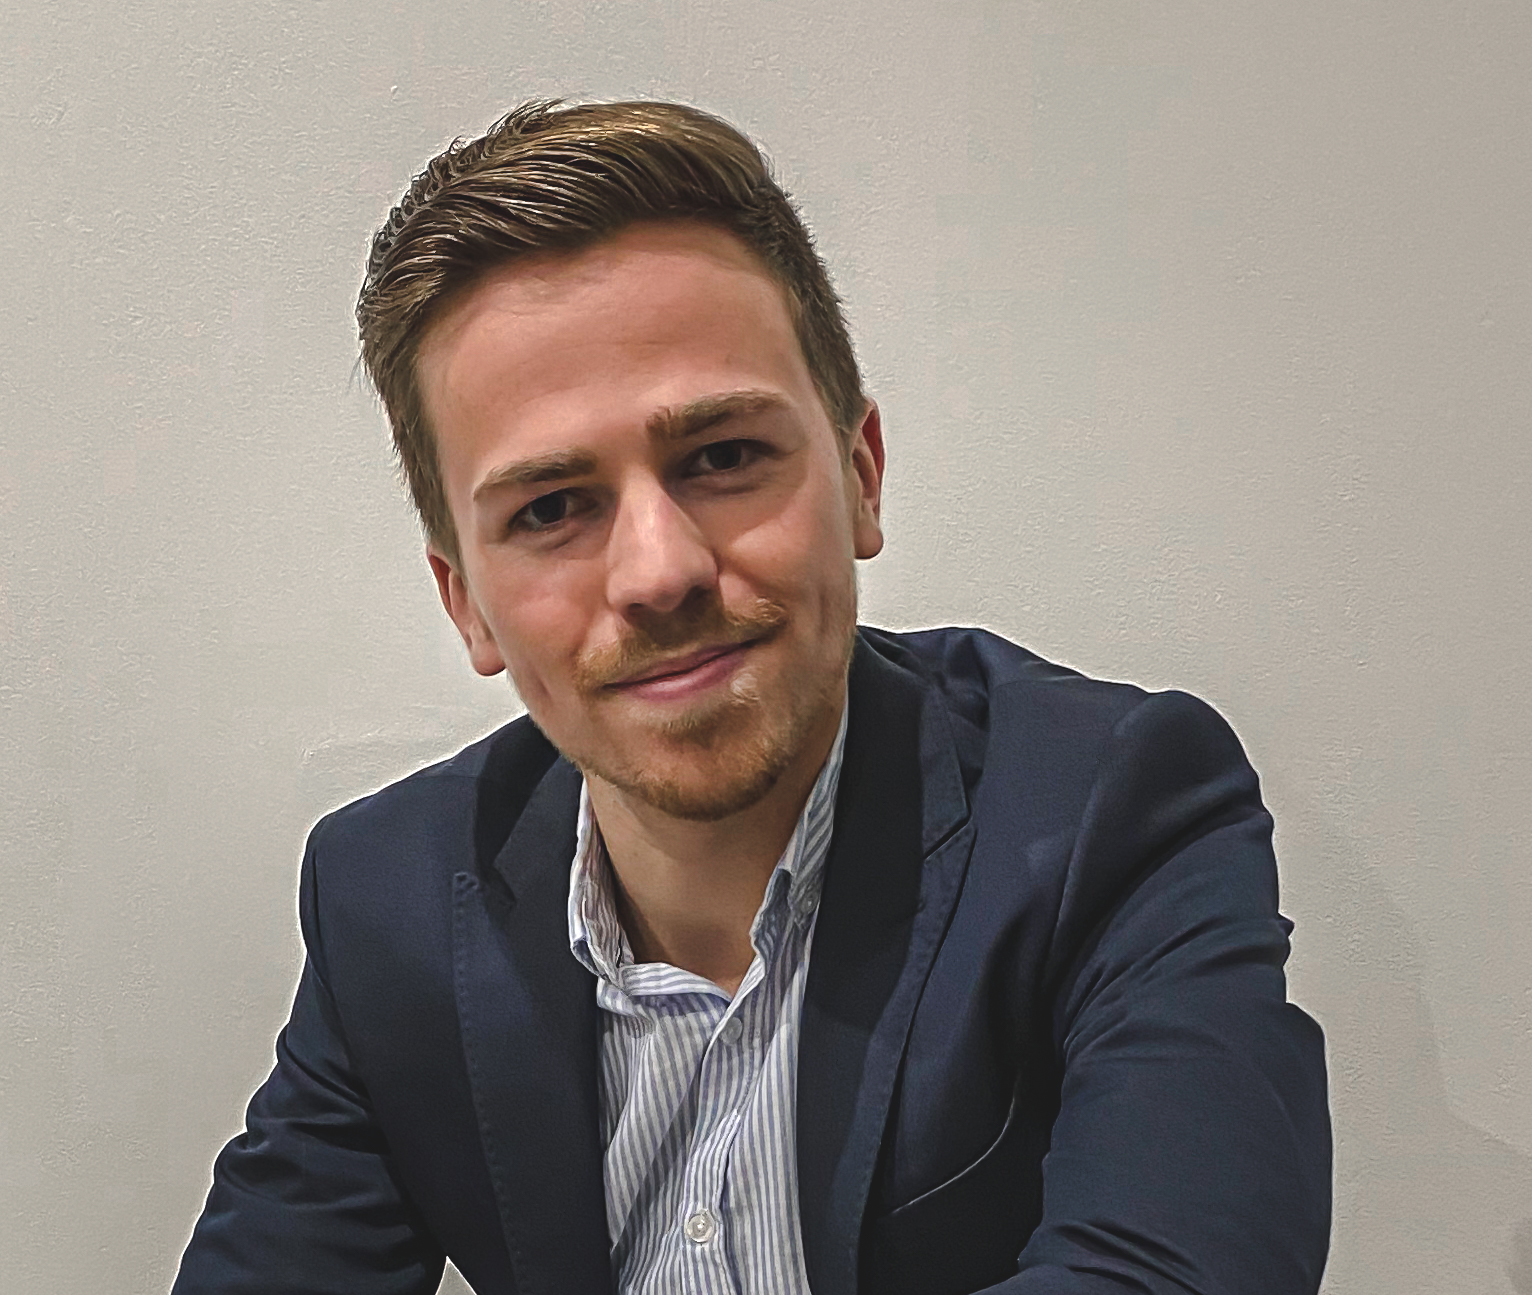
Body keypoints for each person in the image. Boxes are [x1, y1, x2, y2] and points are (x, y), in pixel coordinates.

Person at [173, 99, 1332, 1295]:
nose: (658, 570)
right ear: (465, 602)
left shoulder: (1111, 808)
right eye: (550, 508)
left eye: (722, 456)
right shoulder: (389, 900)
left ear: (860, 475)